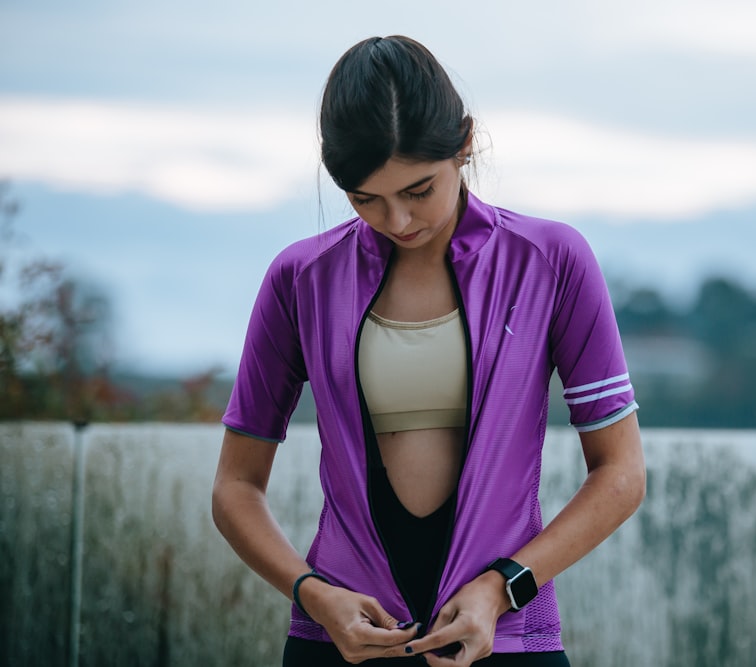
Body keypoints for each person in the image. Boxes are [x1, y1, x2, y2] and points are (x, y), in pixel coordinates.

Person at [212, 35, 645, 667]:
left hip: (506, 638)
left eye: (419, 190)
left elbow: (621, 474)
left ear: (465, 144)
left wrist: (502, 589)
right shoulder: (300, 278)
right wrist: (314, 596)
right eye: (366, 199)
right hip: (340, 643)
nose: (398, 219)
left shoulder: (551, 260)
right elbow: (235, 486)